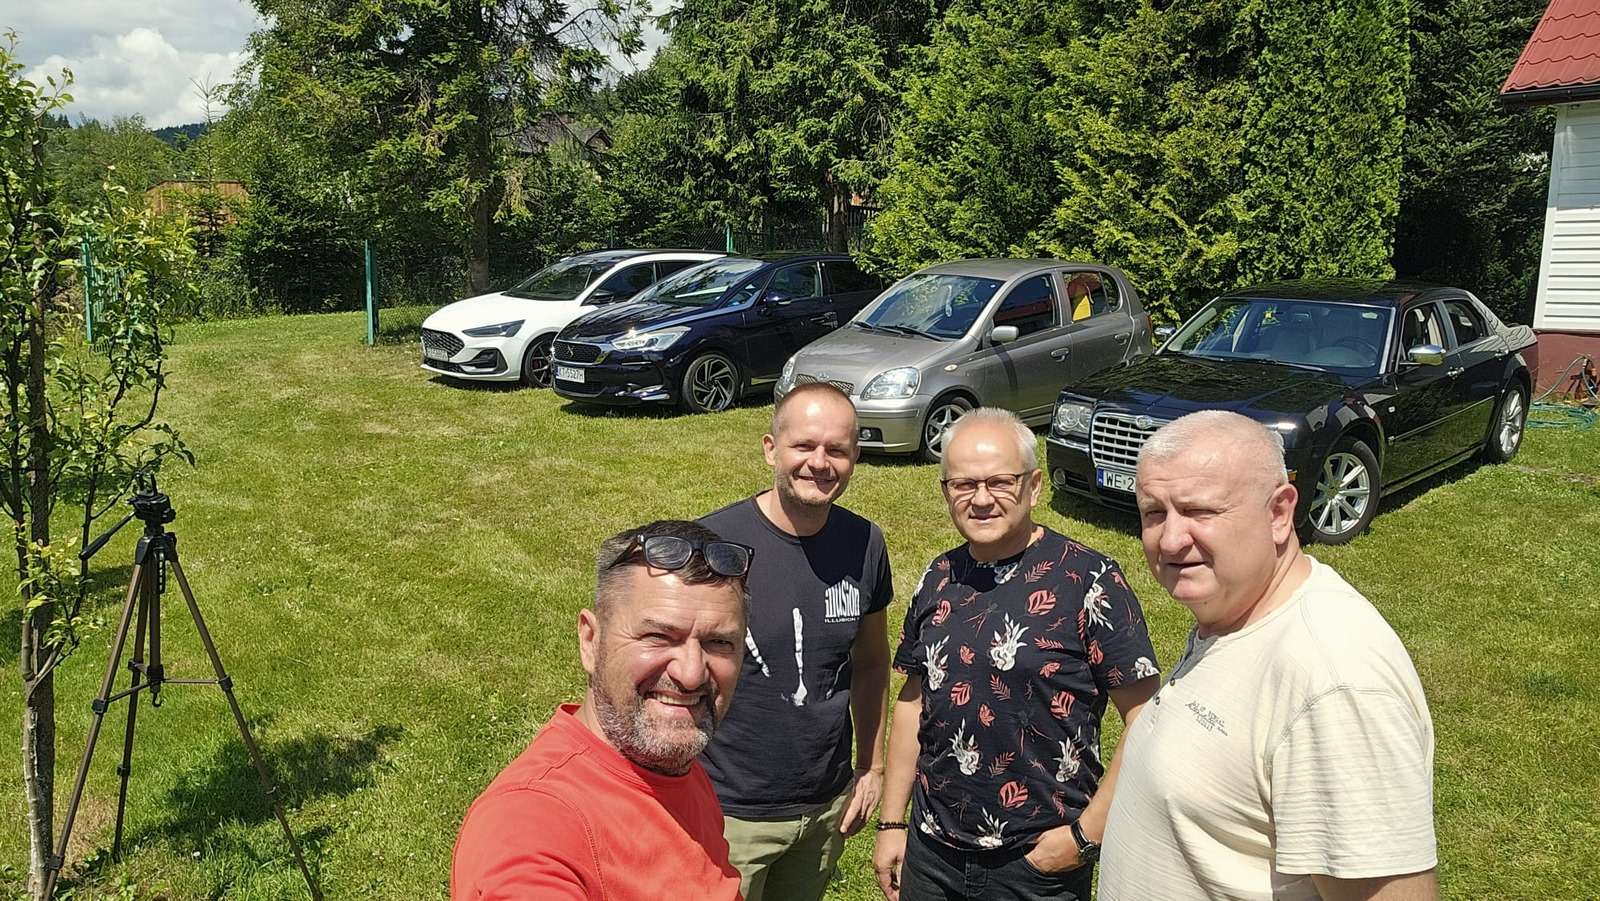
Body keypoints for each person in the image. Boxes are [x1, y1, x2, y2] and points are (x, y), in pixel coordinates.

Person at [1100, 410, 1437, 900]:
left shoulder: (1333, 682)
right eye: (1155, 513)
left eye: (1200, 511)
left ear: (1279, 514)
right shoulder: (1236, 614)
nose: (1170, 539)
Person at [874, 408, 1160, 901]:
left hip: (1037, 861)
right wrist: (893, 822)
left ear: (1034, 486)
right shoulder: (939, 577)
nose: (981, 499)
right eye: (963, 484)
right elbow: (913, 702)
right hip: (932, 851)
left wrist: (1084, 837)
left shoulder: (1089, 580)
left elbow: (1147, 718)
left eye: (1000, 482)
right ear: (945, 491)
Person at [451, 520, 752, 900]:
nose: (691, 674)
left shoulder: (672, 765)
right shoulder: (531, 826)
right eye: (658, 636)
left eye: (718, 643)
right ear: (590, 641)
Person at [697, 382, 894, 901]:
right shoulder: (715, 547)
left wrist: (871, 767)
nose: (819, 463)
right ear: (771, 449)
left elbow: (872, 663)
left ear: (855, 457)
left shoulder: (866, 544)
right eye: (804, 446)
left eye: (837, 450)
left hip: (825, 808)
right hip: (729, 810)